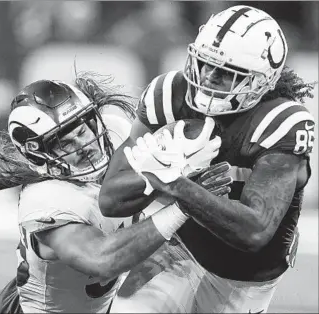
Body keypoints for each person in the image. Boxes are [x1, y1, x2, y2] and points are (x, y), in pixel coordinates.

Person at [99, 5, 316, 313]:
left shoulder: (280, 122)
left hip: (245, 279)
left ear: (260, 81)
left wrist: (177, 183)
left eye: (227, 73)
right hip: (176, 250)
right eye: (205, 64)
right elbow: (110, 197)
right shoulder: (169, 95)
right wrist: (161, 177)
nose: (209, 78)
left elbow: (253, 231)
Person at [0, 73, 231, 313]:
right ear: (40, 157)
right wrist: (181, 204)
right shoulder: (45, 197)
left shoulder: (115, 132)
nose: (84, 144)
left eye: (81, 129)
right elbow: (103, 259)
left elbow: (149, 190)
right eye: (64, 143)